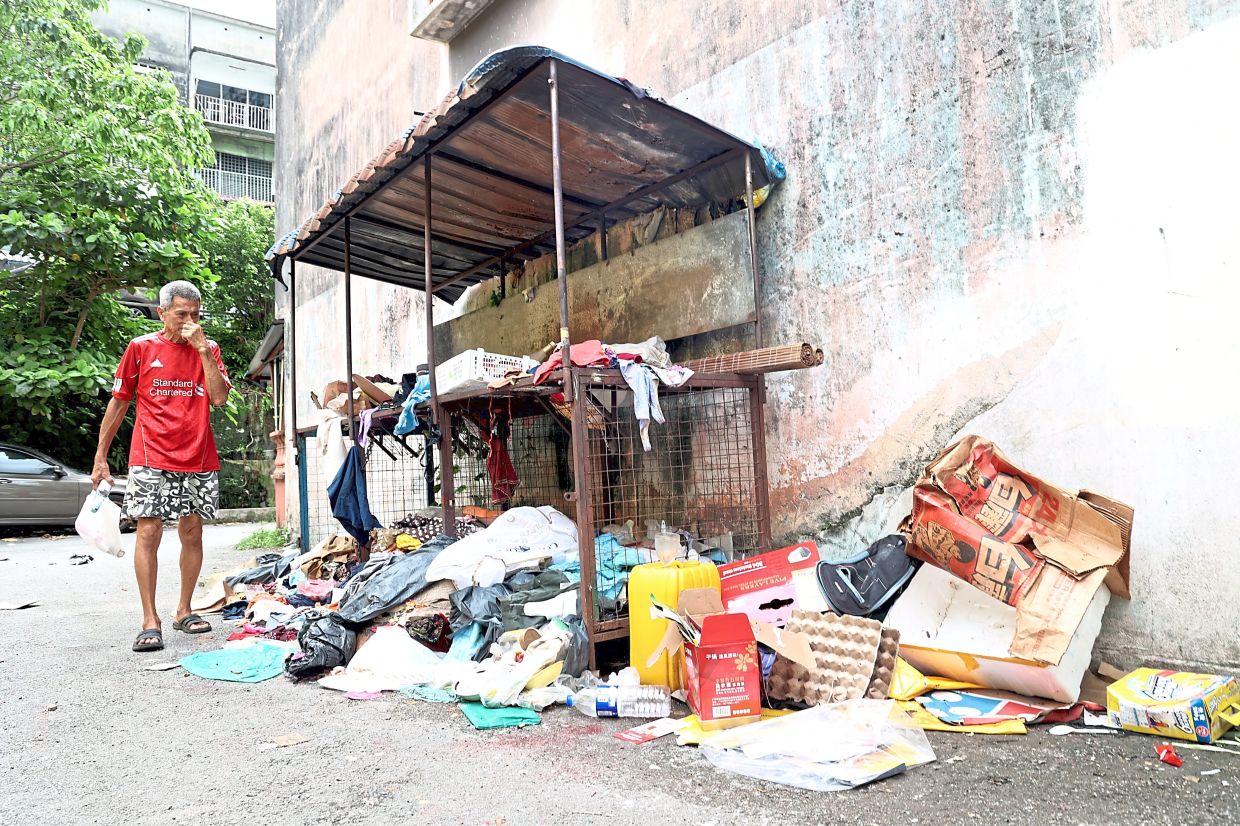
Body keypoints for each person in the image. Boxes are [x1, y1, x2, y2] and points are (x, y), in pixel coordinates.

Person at [92, 281, 232, 652]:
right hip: (151, 453)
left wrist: (202, 349)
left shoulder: (209, 348)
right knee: (149, 531)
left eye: (195, 315)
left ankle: (184, 609)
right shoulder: (141, 348)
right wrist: (100, 457)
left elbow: (218, 398)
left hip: (198, 454)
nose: (189, 321)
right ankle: (149, 619)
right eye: (182, 314)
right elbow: (119, 402)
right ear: (162, 313)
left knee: (192, 531)